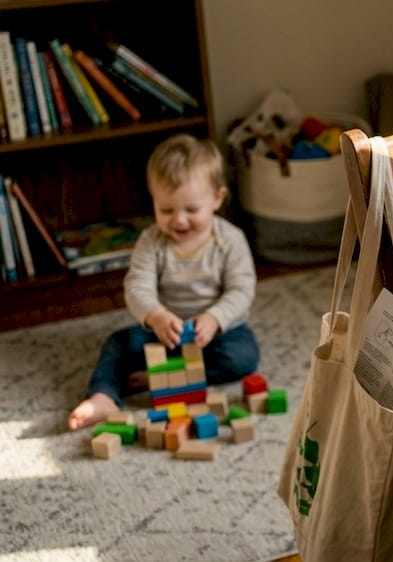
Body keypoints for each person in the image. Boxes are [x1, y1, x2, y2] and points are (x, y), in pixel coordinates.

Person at [67, 133, 259, 431]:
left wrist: (214, 318)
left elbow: (242, 289)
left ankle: (172, 377)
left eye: (191, 210)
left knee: (243, 356)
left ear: (217, 199)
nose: (179, 220)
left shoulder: (230, 240)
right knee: (118, 345)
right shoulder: (151, 241)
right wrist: (156, 316)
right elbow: (137, 287)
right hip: (164, 331)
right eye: (166, 210)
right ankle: (103, 396)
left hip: (214, 336)